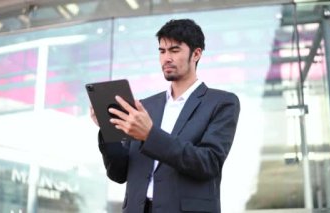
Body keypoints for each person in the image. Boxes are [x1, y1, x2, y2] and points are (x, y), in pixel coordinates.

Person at [90, 19, 240, 213]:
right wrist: (107, 128)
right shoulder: (145, 107)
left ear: (196, 54)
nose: (166, 58)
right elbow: (119, 173)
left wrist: (150, 135)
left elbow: (208, 162)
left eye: (174, 50)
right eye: (162, 51)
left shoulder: (221, 102)